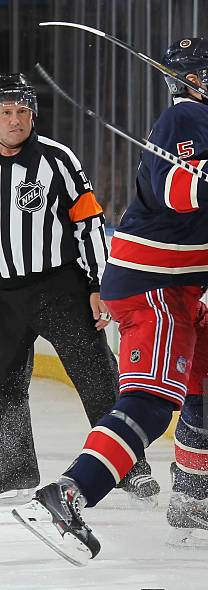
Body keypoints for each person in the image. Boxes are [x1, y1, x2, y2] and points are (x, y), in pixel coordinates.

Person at [12, 38, 208, 564]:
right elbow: (180, 191)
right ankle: (67, 495)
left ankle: (188, 505)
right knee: (151, 404)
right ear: (195, 83)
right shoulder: (187, 118)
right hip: (153, 284)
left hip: (179, 289)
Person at [0, 73, 157, 505]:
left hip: (59, 288)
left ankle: (130, 468)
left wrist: (97, 284)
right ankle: (12, 472)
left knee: (96, 374)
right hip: (3, 297)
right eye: (6, 112)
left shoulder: (57, 159)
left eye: (23, 112)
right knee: (5, 384)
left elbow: (88, 222)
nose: (15, 121)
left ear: (34, 114)